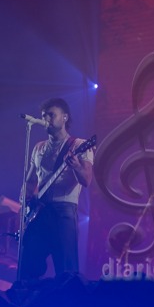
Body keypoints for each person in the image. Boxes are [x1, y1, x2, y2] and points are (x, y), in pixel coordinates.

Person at [19, 97, 94, 280]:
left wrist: (76, 166)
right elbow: (30, 181)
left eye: (51, 115)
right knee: (28, 266)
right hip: (40, 212)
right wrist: (25, 203)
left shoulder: (79, 145)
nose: (46, 119)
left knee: (66, 270)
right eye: (44, 115)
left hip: (64, 212)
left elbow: (86, 180)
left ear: (65, 117)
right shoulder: (38, 148)